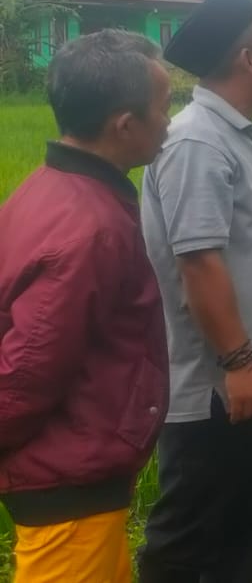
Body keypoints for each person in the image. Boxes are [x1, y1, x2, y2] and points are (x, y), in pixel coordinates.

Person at [138, 0, 252, 582]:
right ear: (247, 59)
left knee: (240, 538)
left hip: (250, 382)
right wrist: (237, 362)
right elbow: (198, 261)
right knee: (187, 544)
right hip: (221, 390)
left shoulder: (232, 136)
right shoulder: (197, 143)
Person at [0, 32, 172, 583]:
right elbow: (26, 376)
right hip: (66, 495)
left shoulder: (49, 188)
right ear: (125, 125)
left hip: (74, 483)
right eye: (165, 106)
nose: (171, 120)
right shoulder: (88, 228)